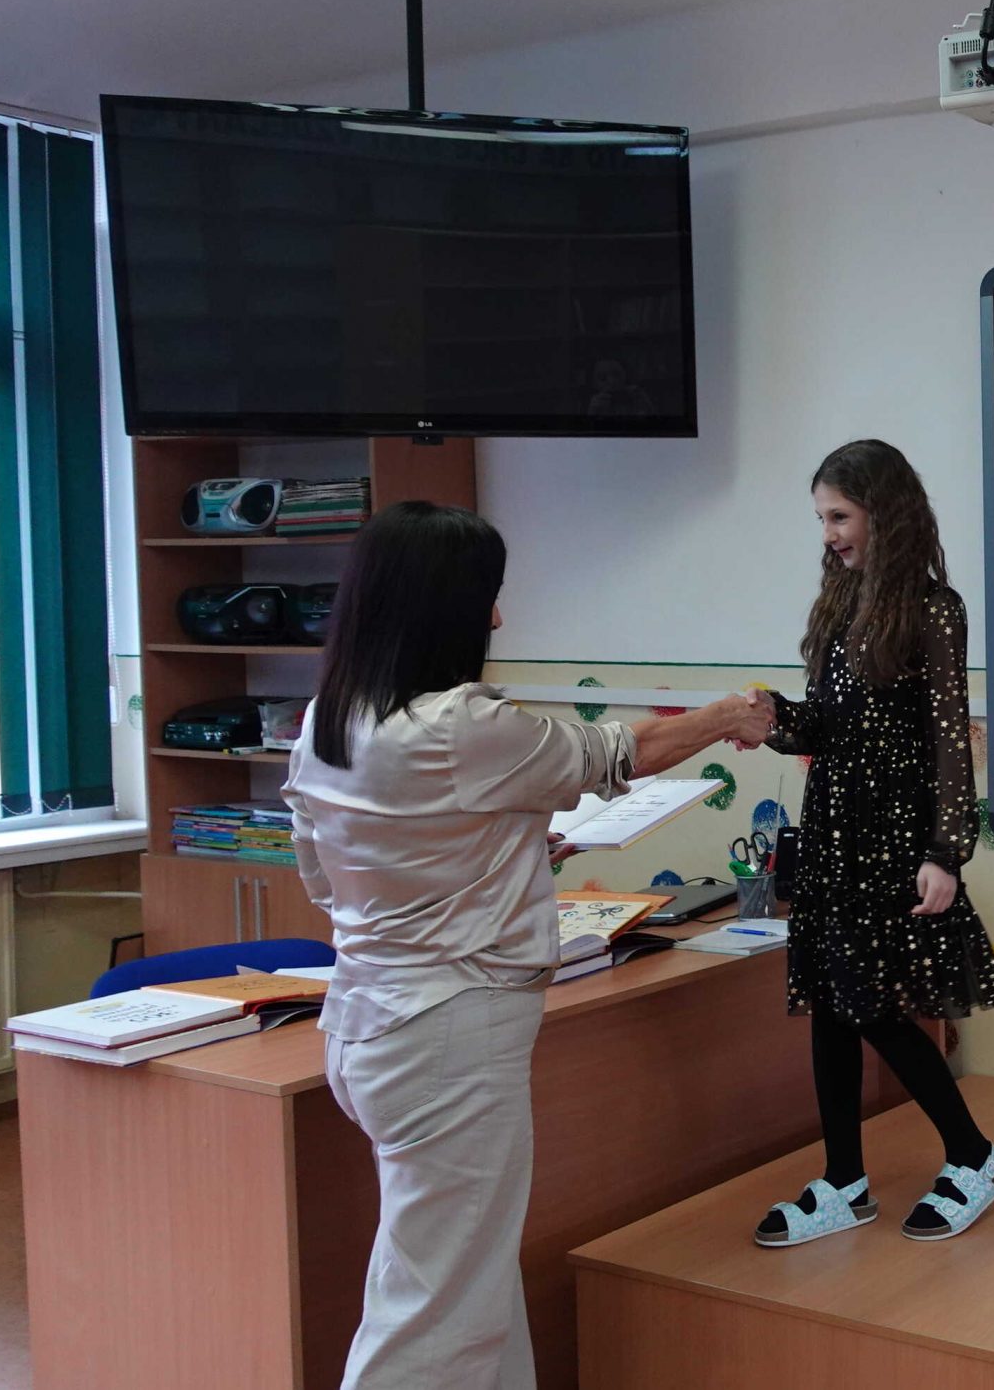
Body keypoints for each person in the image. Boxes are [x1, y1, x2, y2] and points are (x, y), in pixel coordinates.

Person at [284, 502, 771, 1390]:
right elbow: (619, 750)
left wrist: (491, 857)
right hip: (447, 1034)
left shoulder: (330, 719)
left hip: (368, 1023)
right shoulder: (457, 724)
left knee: (471, 1281)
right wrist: (730, 714)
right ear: (440, 604)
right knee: (432, 1314)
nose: (499, 618)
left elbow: (330, 875)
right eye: (489, 595)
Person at [752, 439, 994, 1249]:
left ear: (884, 513)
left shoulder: (934, 608)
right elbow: (831, 727)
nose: (829, 534)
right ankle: (844, 1180)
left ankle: (973, 1155)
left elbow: (947, 741)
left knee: (873, 1005)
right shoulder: (841, 602)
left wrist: (946, 850)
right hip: (833, 834)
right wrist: (770, 718)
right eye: (822, 519)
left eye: (840, 516)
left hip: (894, 843)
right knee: (831, 1005)